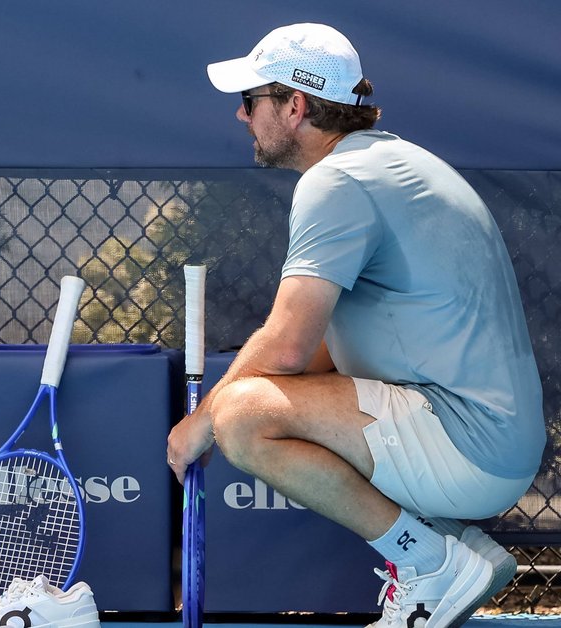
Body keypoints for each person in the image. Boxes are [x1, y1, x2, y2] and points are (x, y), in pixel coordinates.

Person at [167, 23, 543, 628]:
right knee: (253, 401)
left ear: (295, 106)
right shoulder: (385, 162)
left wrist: (202, 423)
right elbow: (318, 354)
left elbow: (288, 348)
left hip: (468, 446)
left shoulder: (336, 181)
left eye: (249, 101)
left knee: (243, 417)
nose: (241, 117)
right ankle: (444, 548)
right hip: (491, 444)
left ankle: (427, 560)